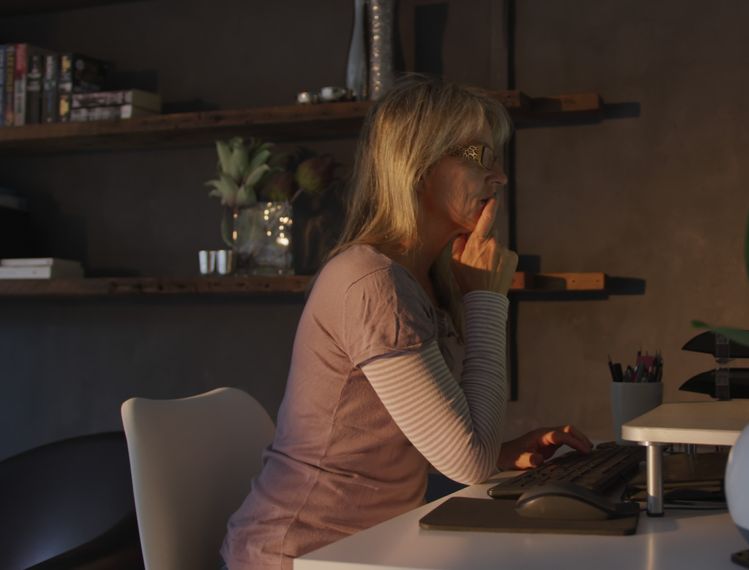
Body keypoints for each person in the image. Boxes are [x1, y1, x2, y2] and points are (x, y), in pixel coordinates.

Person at [221, 76, 593, 569]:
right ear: (419, 165)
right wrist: (485, 299)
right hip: (301, 557)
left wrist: (498, 452)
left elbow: (454, 450)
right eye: (481, 156)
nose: (500, 176)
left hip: (365, 549)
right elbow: (467, 464)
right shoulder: (372, 283)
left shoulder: (418, 278)